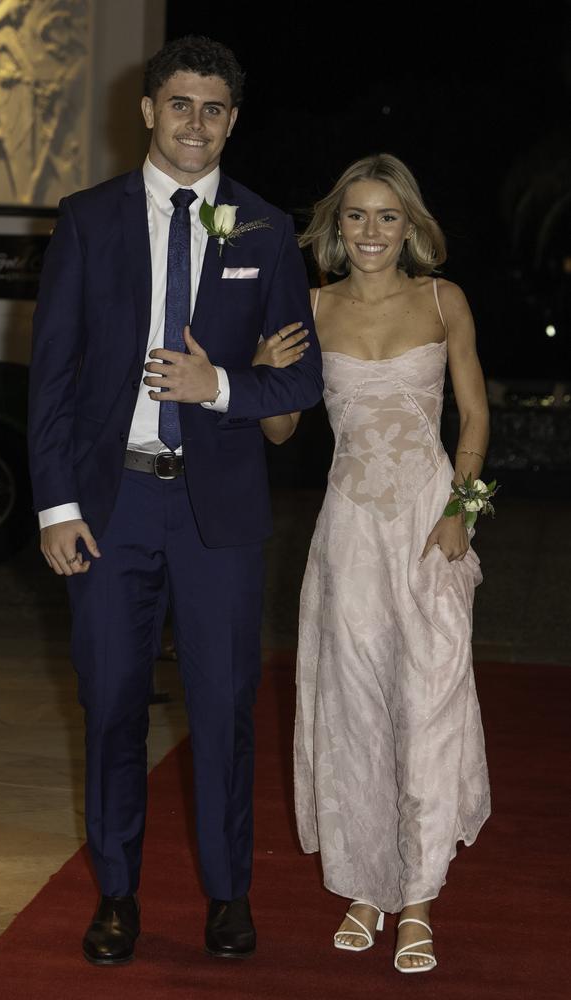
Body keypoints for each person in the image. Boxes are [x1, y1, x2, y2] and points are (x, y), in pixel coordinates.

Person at [27, 35, 323, 965]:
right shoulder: (85, 219)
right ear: (148, 111)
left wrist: (220, 387)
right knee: (112, 702)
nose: (197, 123)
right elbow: (53, 380)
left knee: (226, 708)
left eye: (215, 109)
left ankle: (228, 895)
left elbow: (298, 382)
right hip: (111, 510)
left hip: (219, 516)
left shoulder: (268, 229)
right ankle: (117, 895)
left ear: (233, 121)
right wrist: (56, 508)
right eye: (181, 104)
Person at [257, 153, 491, 973]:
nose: (370, 231)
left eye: (387, 216)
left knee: (425, 704)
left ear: (411, 228)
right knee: (355, 706)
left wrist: (462, 512)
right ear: (334, 226)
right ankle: (365, 884)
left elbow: (472, 417)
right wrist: (266, 373)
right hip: (349, 531)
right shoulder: (310, 309)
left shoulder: (443, 300)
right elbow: (283, 432)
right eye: (356, 215)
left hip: (430, 526)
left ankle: (418, 896)